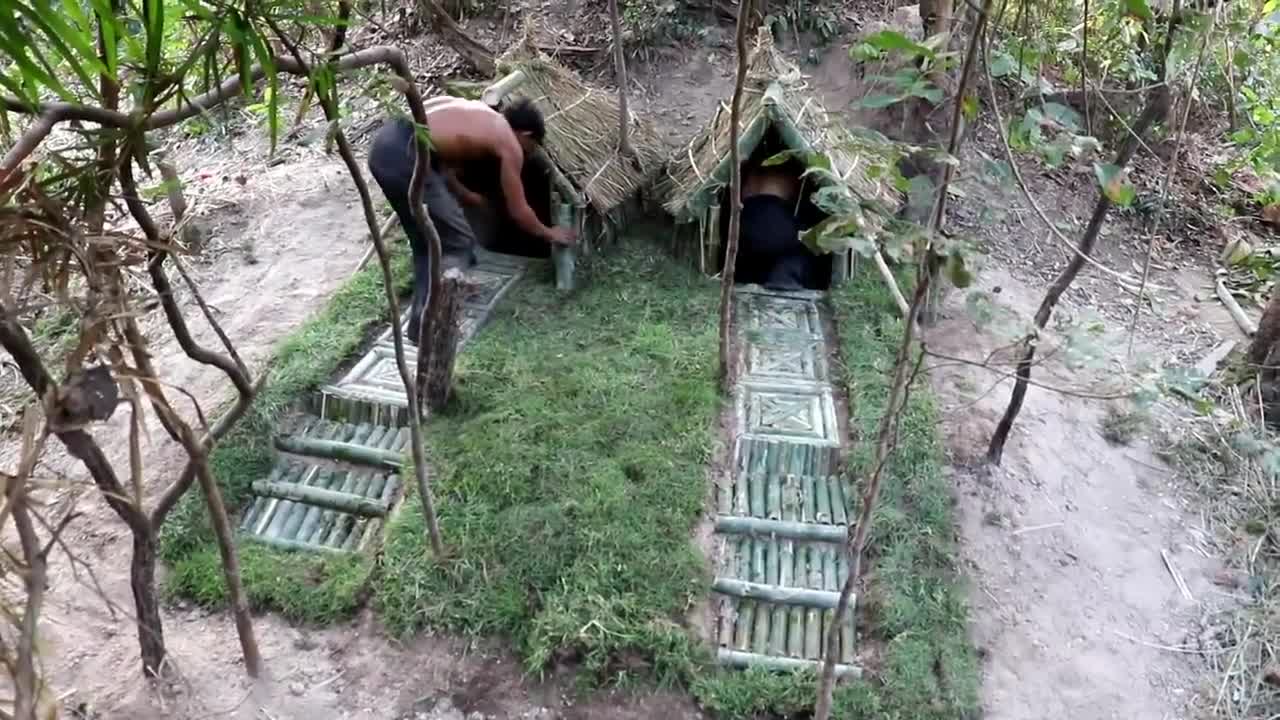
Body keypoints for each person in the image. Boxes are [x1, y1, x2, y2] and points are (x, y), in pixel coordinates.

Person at [368, 97, 576, 342]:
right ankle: (431, 324)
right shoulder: (509, 143)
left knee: (426, 242)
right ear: (526, 133)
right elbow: (519, 210)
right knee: (457, 242)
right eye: (531, 146)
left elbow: (440, 163)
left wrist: (467, 196)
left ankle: (429, 315)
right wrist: (549, 232)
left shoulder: (480, 113)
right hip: (405, 155)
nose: (528, 152)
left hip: (385, 144)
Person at [735, 159, 812, 291]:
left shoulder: (750, 168)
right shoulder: (795, 170)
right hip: (779, 219)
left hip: (749, 217)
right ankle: (785, 278)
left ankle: (747, 279)